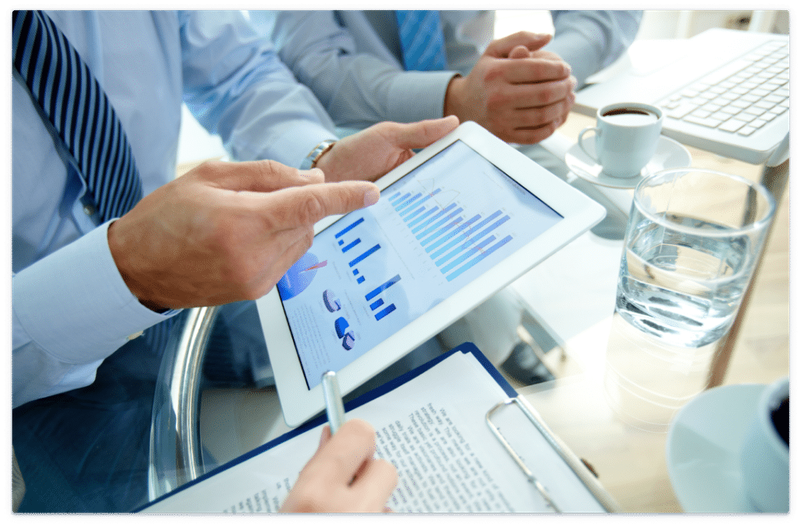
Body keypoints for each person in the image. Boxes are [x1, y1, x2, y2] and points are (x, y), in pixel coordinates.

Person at [10, 9, 457, 514]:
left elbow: (239, 74)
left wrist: (315, 164)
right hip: (36, 380)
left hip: (196, 266)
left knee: (402, 338)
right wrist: (128, 272)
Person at [251, 8, 642, 378]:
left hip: (486, 116)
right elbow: (312, 61)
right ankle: (504, 339)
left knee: (620, 229)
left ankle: (518, 330)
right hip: (349, 133)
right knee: (484, 328)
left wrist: (538, 78)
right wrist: (451, 98)